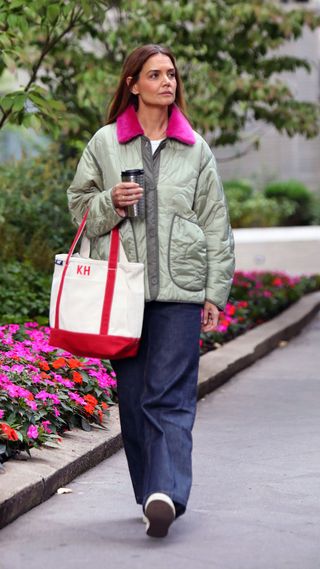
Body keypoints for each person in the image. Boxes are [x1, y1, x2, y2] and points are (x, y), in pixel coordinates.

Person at [67, 44, 235, 538]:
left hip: (180, 294)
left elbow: (215, 224)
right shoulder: (105, 143)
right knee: (136, 399)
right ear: (133, 84)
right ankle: (151, 494)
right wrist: (110, 202)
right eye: (156, 74)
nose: (168, 82)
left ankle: (167, 492)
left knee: (171, 397)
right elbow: (78, 208)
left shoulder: (195, 148)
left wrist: (214, 293)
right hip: (123, 292)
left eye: (172, 74)